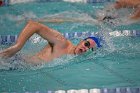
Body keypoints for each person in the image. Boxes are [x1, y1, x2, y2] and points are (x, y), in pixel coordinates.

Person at [0, 20, 101, 64]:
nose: (85, 48)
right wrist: (17, 46)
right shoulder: (62, 42)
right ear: (81, 41)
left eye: (90, 49)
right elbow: (33, 25)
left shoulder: (73, 59)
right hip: (13, 61)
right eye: (86, 44)